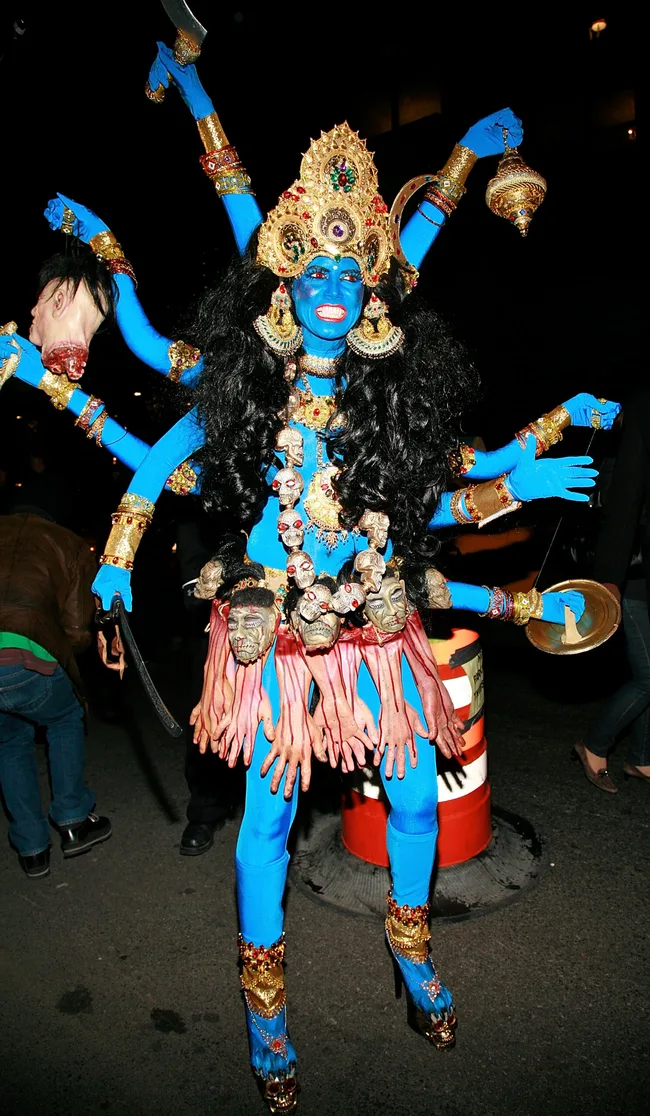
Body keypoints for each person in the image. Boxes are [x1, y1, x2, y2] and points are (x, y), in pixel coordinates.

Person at [15, 44, 621, 1113]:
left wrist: (518, 467)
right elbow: (157, 463)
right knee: (265, 824)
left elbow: (434, 491)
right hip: (280, 640)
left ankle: (414, 956)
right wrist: (113, 564)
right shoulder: (241, 393)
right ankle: (265, 1020)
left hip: (378, 637)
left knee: (414, 806)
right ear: (288, 289)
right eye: (317, 271)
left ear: (372, 297)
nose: (338, 282)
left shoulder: (391, 408)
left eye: (355, 271)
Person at [0, 501, 112, 878]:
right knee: (64, 718)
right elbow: (79, 630)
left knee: (8, 742)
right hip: (27, 651)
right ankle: (73, 819)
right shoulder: (66, 542)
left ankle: (31, 848)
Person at [574, 394, 650, 791]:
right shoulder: (640, 415)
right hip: (634, 573)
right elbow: (625, 504)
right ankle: (594, 744)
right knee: (649, 675)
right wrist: (609, 579)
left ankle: (641, 758)